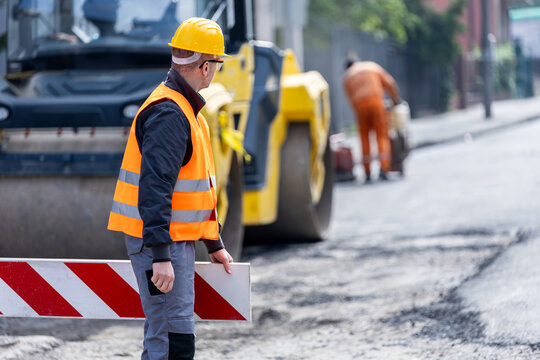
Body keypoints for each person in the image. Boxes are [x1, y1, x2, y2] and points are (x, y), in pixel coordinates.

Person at [107, 17, 233, 360]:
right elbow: (155, 188)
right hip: (161, 242)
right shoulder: (170, 113)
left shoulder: (182, 109)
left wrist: (213, 241)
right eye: (216, 65)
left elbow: (192, 191)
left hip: (170, 239)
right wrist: (160, 255)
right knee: (168, 338)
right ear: (205, 67)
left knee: (174, 333)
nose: (215, 72)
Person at [343, 59, 400, 182]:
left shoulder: (347, 76)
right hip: (375, 102)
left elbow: (350, 97)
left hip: (359, 106)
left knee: (364, 137)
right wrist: (395, 99)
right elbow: (390, 83)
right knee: (381, 135)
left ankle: (367, 171)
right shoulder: (371, 67)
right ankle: (384, 168)